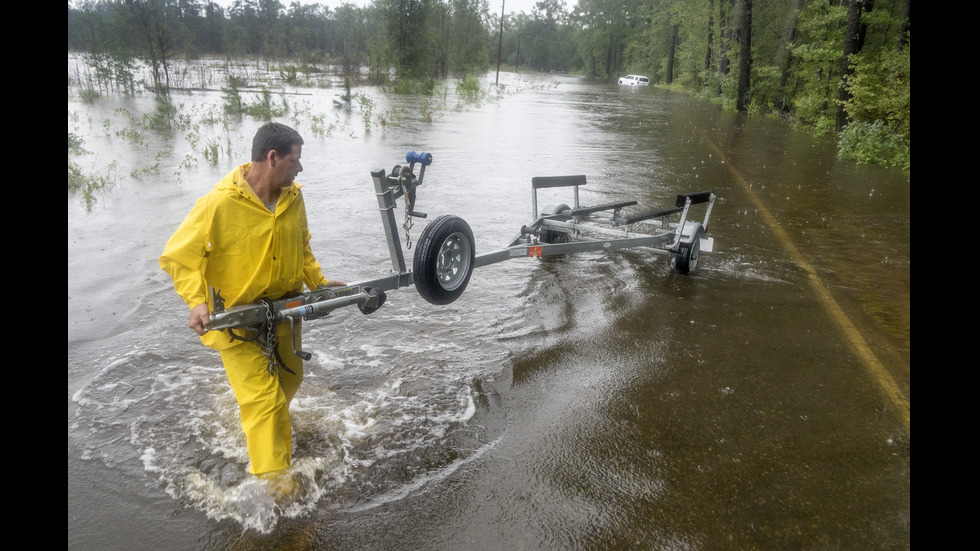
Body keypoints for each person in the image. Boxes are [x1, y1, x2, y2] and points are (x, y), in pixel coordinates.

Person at [160, 122, 344, 477]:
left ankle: (265, 434)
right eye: (296, 160)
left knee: (290, 382)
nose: (300, 168)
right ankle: (275, 487)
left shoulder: (294, 197)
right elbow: (178, 256)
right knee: (266, 402)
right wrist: (196, 302)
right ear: (272, 157)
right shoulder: (219, 202)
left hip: (287, 312)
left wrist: (319, 282)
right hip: (239, 321)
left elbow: (301, 247)